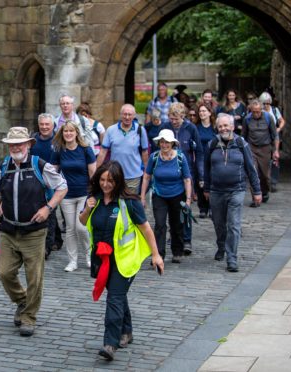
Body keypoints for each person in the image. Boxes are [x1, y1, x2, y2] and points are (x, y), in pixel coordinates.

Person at [0, 127, 67, 337]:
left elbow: (62, 186)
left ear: (29, 144)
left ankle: (29, 317)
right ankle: (22, 301)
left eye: (20, 143)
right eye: (12, 144)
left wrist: (48, 208)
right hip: (9, 230)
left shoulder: (40, 165)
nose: (16, 147)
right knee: (5, 273)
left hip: (34, 232)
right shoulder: (2, 167)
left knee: (34, 277)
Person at [79, 161, 163, 361]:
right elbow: (83, 222)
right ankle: (127, 331)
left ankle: (110, 343)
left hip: (125, 259)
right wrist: (87, 209)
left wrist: (156, 255)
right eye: (102, 180)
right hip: (102, 258)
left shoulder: (129, 202)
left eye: (110, 180)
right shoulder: (94, 199)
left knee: (114, 298)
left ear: (118, 181)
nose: (105, 184)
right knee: (118, 295)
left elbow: (146, 229)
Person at [204, 114, 261, 272]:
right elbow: (206, 169)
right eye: (220, 126)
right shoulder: (212, 144)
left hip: (237, 190)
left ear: (233, 126)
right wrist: (206, 188)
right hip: (216, 191)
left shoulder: (241, 144)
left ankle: (232, 258)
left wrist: (256, 191)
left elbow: (251, 168)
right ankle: (221, 246)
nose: (223, 129)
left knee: (234, 224)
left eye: (226, 126)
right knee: (219, 224)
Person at [140, 129, 192, 263]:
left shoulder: (180, 157)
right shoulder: (154, 157)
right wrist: (142, 197)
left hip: (177, 195)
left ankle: (177, 251)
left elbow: (187, 179)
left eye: (167, 142)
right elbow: (146, 177)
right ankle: (159, 254)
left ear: (172, 143)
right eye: (162, 142)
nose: (164, 145)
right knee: (160, 224)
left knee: (177, 224)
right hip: (159, 195)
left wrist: (188, 199)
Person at [51, 120, 96, 271]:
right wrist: (56, 188)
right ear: (62, 134)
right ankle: (72, 261)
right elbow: (53, 172)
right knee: (70, 229)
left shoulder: (85, 150)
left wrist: (94, 194)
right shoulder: (59, 150)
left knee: (81, 227)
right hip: (66, 196)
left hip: (84, 194)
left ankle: (90, 255)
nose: (68, 134)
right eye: (66, 131)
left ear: (77, 133)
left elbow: (93, 174)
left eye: (71, 131)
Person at [164, 102, 203, 255]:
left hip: (186, 172)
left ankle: (186, 239)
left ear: (183, 117)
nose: (174, 122)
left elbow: (198, 151)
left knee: (185, 206)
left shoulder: (191, 128)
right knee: (170, 206)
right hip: (168, 171)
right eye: (172, 118)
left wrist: (200, 174)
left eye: (177, 119)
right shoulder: (165, 128)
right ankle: (174, 235)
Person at [31, 113, 64, 259]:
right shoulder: (33, 140)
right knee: (49, 212)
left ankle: (46, 247)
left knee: (49, 212)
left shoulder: (58, 140)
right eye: (42, 124)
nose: (44, 127)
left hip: (53, 182)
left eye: (47, 124)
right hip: (35, 181)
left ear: (52, 126)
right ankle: (57, 239)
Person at [97, 104, 149, 193]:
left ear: (134, 116)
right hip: (114, 175)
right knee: (115, 204)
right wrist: (96, 170)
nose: (127, 117)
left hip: (134, 177)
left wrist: (146, 172)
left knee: (130, 204)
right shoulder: (111, 130)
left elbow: (144, 152)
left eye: (130, 114)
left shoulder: (140, 130)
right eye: (125, 114)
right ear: (120, 115)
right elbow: (103, 152)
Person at [241, 100, 279, 206]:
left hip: (265, 148)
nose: (256, 114)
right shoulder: (247, 119)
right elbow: (243, 135)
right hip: (252, 148)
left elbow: (275, 135)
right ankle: (255, 198)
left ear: (261, 110)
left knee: (265, 176)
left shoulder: (268, 118)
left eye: (258, 111)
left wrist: (275, 150)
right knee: (254, 172)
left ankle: (265, 191)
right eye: (254, 112)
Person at [258, 92, 286, 192]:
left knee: (275, 159)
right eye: (264, 103)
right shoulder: (258, 111)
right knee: (263, 160)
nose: (266, 105)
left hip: (274, 138)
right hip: (263, 138)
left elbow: (282, 120)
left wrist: (278, 129)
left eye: (267, 103)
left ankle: (273, 182)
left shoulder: (274, 110)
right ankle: (264, 181)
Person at [196, 103, 217, 218]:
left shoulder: (214, 128)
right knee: (201, 181)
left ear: (209, 112)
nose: (202, 113)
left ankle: (212, 207)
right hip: (200, 156)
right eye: (200, 111)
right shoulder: (196, 128)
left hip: (213, 157)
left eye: (204, 111)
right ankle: (203, 207)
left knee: (213, 181)